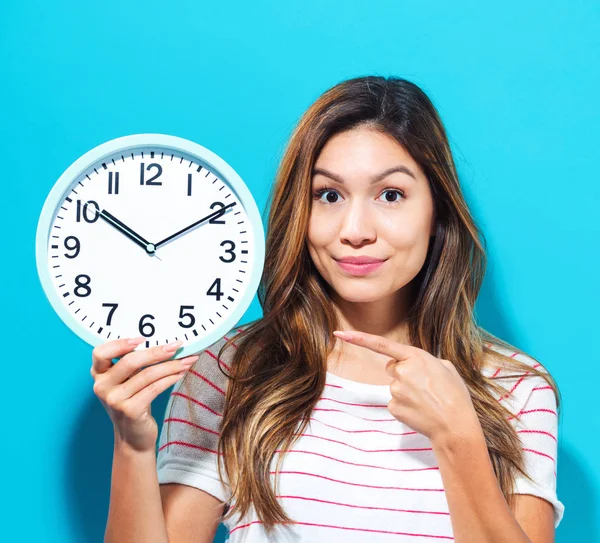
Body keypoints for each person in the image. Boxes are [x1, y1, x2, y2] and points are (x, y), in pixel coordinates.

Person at [92, 75, 564, 542]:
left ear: (437, 210)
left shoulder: (516, 390)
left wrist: (459, 439)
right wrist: (133, 445)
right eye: (329, 195)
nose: (355, 229)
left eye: (391, 195)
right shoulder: (231, 369)